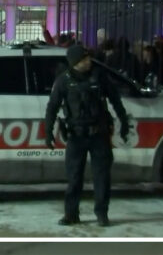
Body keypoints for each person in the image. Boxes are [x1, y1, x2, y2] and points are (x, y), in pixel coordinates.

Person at [45, 44, 130, 227]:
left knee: (102, 177)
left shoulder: (99, 76)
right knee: (74, 178)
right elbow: (52, 107)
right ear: (75, 63)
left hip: (99, 134)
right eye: (83, 59)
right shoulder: (63, 81)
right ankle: (71, 214)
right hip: (76, 136)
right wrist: (48, 131)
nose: (88, 61)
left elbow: (116, 100)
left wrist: (124, 122)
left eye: (88, 58)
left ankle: (102, 213)